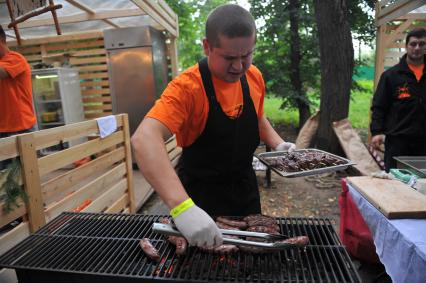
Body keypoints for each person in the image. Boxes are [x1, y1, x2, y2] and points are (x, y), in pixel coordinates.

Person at [131, 4, 295, 247]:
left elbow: (257, 118)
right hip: (198, 199)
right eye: (229, 57)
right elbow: (144, 138)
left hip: (245, 192)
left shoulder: (253, 77)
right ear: (207, 46)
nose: (239, 67)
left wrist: (278, 143)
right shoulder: (187, 88)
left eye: (246, 55)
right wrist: (182, 208)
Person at [370, 28, 426, 172]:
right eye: (413, 44)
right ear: (406, 46)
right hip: (398, 142)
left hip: (424, 143)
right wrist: (376, 132)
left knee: (421, 186)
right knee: (396, 184)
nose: (417, 48)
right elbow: (379, 106)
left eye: (422, 44)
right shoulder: (391, 76)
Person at [0, 25, 36, 169]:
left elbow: (2, 73)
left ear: (2, 40)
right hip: (2, 129)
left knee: (27, 175)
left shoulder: (15, 58)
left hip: (21, 127)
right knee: (6, 180)